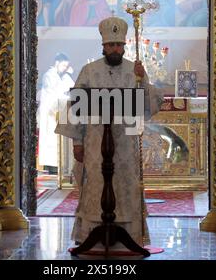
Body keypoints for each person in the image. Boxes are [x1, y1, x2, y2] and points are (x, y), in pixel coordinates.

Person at [55, 17, 162, 248]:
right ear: (103, 47)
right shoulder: (89, 71)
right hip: (94, 143)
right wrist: (77, 142)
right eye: (110, 45)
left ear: (124, 46)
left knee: (125, 184)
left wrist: (143, 80)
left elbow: (151, 102)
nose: (115, 49)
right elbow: (74, 105)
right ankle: (92, 238)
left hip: (126, 143)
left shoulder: (134, 70)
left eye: (119, 45)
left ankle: (128, 239)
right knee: (96, 183)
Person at [38, 53, 75, 174]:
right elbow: (54, 93)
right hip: (49, 113)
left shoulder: (57, 76)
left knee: (55, 141)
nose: (64, 68)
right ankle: (52, 167)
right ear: (57, 62)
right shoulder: (49, 75)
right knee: (51, 141)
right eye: (64, 65)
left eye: (66, 66)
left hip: (55, 111)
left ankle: (56, 166)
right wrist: (66, 79)